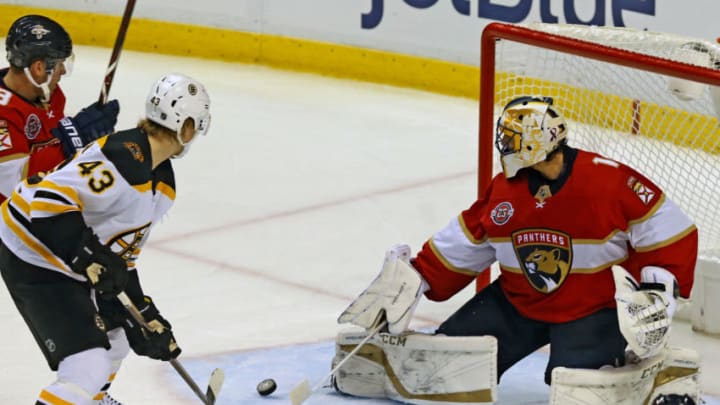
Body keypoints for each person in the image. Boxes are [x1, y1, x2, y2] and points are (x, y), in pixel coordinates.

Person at [334, 96, 700, 404]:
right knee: (441, 364)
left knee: (580, 390)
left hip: (590, 310)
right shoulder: (505, 190)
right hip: (517, 304)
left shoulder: (608, 181)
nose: (503, 143)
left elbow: (672, 231)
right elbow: (470, 238)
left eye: (511, 137)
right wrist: (417, 277)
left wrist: (656, 288)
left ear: (537, 142)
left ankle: (665, 374)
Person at [0, 72, 211, 405]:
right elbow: (47, 204)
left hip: (59, 253)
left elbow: (120, 257)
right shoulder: (121, 157)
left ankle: (91, 400)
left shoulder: (162, 182)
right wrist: (86, 255)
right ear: (186, 127)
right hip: (32, 251)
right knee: (87, 365)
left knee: (119, 336)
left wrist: (145, 315)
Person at [0, 14, 120, 203]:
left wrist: (85, 141)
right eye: (58, 64)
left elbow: (57, 145)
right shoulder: (3, 116)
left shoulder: (49, 94)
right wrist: (75, 137)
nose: (63, 70)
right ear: (38, 68)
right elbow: (15, 186)